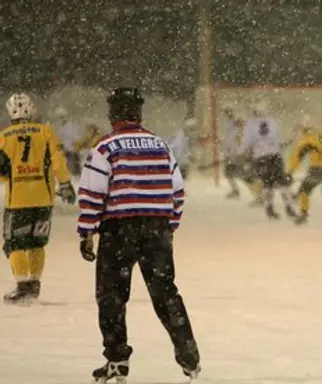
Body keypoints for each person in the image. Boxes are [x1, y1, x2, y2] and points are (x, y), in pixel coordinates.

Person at [76, 88, 200, 382]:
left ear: (113, 114)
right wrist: (168, 226)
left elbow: (92, 193)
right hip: (156, 229)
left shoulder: (105, 147)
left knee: (112, 297)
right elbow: (178, 192)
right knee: (166, 294)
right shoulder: (160, 145)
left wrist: (86, 231)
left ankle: (117, 359)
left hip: (118, 230)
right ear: (138, 113)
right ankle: (189, 356)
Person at [0, 93, 76, 304]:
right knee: (36, 243)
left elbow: (1, 170)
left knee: (15, 244)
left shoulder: (4, 137)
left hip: (18, 200)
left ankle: (22, 286)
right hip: (43, 198)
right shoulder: (45, 132)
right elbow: (58, 160)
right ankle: (34, 284)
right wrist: (65, 183)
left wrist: (15, 172)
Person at [240, 103, 297, 220]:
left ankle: (269, 209)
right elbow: (275, 138)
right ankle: (289, 208)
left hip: (261, 157)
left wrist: (240, 151)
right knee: (282, 183)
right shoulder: (273, 122)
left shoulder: (250, 124)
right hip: (275, 155)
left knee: (267, 184)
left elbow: (246, 142)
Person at [286, 118, 322, 225]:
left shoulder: (306, 139)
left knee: (304, 189)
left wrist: (289, 172)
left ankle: (303, 214)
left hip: (321, 166)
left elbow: (297, 157)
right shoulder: (320, 134)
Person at [221, 107, 263, 202]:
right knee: (246, 177)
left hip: (246, 158)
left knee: (250, 178)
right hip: (239, 157)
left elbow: (246, 145)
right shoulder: (236, 131)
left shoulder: (246, 132)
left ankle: (259, 196)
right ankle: (258, 196)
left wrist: (245, 155)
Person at [52, 107, 82, 176]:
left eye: (62, 117)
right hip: (63, 152)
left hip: (72, 152)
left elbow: (76, 138)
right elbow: (57, 140)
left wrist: (76, 148)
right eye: (59, 117)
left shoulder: (71, 126)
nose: (61, 119)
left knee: (73, 171)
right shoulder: (58, 128)